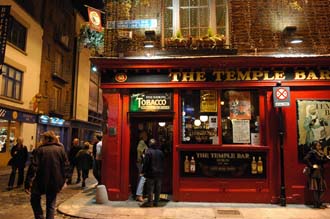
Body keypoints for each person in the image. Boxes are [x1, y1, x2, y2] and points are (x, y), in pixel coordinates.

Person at [24, 131, 70, 219]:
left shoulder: (39, 150)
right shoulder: (60, 150)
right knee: (51, 204)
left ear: (46, 139)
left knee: (34, 199)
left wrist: (28, 183)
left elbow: (33, 167)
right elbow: (66, 166)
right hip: (55, 181)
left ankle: (39, 216)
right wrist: (65, 180)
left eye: (43, 138)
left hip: (41, 180)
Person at [303, 140, 330, 208]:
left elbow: (322, 161)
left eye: (320, 145)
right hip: (316, 172)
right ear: (315, 146)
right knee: (316, 188)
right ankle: (317, 203)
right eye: (318, 145)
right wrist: (311, 166)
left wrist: (327, 158)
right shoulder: (312, 152)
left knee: (321, 188)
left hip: (320, 171)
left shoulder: (320, 153)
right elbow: (305, 159)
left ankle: (319, 202)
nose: (320, 146)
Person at [141, 138, 164, 207]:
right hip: (159, 173)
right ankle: (156, 202)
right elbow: (163, 162)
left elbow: (146, 163)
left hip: (151, 173)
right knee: (158, 188)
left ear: (149, 144)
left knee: (150, 189)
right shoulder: (160, 152)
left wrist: (143, 171)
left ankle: (150, 202)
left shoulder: (148, 152)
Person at [135, 130, 148, 202]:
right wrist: (143, 154)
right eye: (146, 135)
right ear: (143, 136)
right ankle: (139, 195)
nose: (147, 137)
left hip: (140, 162)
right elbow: (140, 150)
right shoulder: (141, 142)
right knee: (143, 178)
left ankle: (138, 194)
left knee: (140, 178)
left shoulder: (142, 142)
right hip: (141, 163)